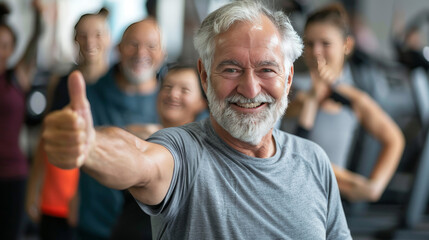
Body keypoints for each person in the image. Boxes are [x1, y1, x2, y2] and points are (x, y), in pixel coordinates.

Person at [42, 1, 352, 239]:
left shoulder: (314, 162)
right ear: (205, 76)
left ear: (288, 78)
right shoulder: (182, 150)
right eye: (231, 69)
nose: (250, 88)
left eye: (266, 70)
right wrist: (90, 145)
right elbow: (140, 160)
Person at [284, 3, 405, 202]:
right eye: (310, 43)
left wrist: (374, 187)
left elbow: (394, 139)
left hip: (325, 197)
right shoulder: (290, 87)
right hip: (290, 190)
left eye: (325, 43)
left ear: (347, 45)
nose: (316, 52)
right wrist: (314, 95)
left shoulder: (353, 97)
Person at [25, 7, 111, 240]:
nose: (89, 41)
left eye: (97, 34)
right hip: (56, 194)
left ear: (109, 38)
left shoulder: (116, 84)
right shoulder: (59, 82)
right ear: (74, 38)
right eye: (82, 34)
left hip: (97, 197)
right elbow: (45, 137)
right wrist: (34, 188)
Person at [77, 18, 165, 240]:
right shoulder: (90, 95)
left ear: (162, 53)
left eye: (151, 46)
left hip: (151, 230)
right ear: (118, 48)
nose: (141, 52)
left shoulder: (175, 102)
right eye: (132, 44)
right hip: (93, 222)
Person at [0, 1, 42, 239]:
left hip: (13, 173)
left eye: (4, 45)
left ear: (12, 49)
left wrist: (38, 15)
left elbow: (36, 38)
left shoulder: (17, 77)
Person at [126, 63, 208, 139]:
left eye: (184, 90)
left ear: (202, 102)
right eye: (167, 87)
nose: (173, 94)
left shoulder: (201, 144)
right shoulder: (137, 134)